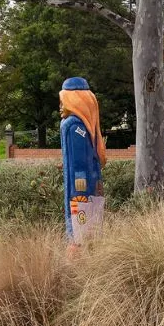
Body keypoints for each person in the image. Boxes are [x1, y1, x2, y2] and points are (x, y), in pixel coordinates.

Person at [59, 77, 106, 251]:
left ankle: (78, 249)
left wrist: (79, 178)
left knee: (79, 217)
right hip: (84, 178)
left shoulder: (74, 125)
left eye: (63, 100)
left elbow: (80, 157)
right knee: (85, 217)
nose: (61, 105)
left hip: (79, 182)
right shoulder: (81, 124)